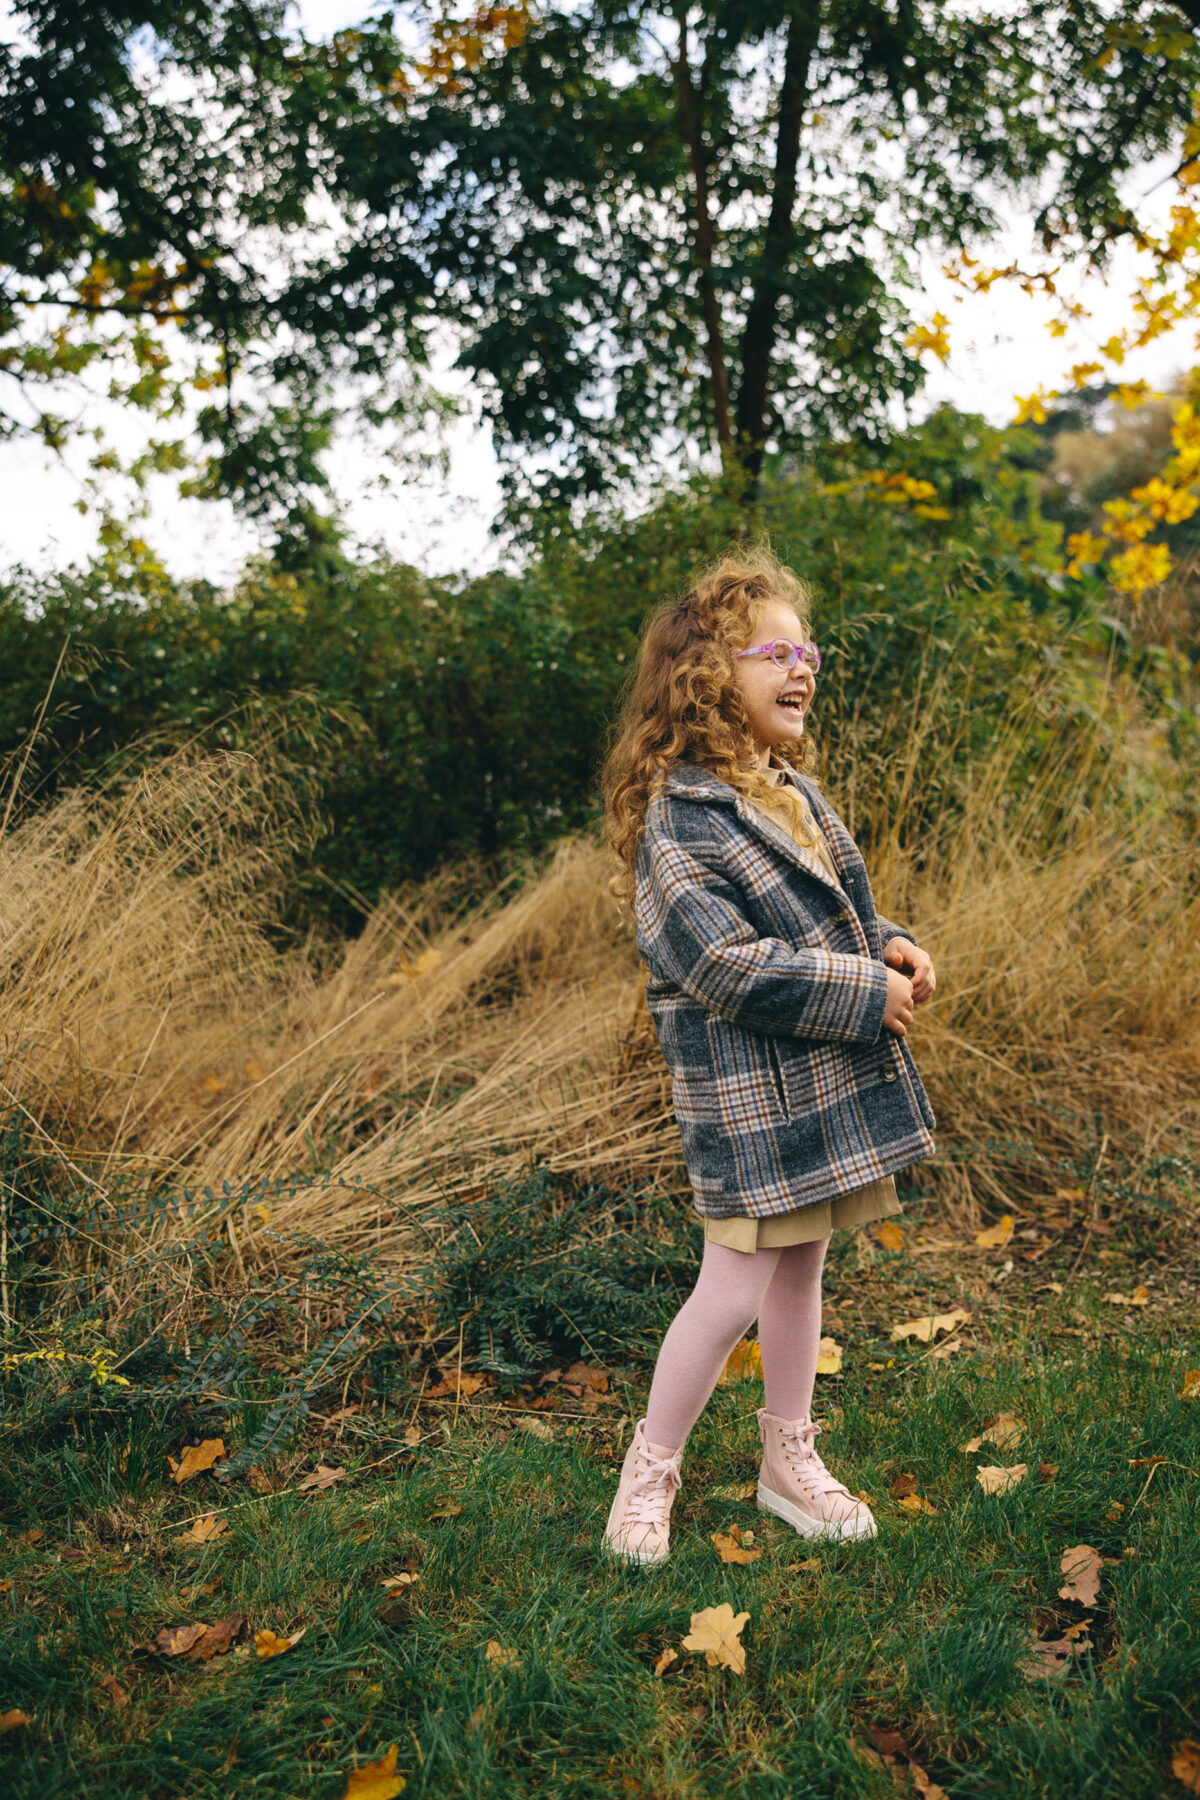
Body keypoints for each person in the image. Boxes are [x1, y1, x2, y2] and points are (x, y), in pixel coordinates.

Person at [598, 548, 938, 1565]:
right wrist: (864, 994)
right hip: (749, 1103)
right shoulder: (680, 818)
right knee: (733, 1287)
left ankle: (788, 1462)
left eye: (808, 654)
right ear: (707, 677)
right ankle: (648, 1471)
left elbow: (833, 917)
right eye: (776, 654)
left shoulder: (793, 793)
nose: (803, 670)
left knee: (801, 1272)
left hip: (818, 1089)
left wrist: (889, 946)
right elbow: (725, 964)